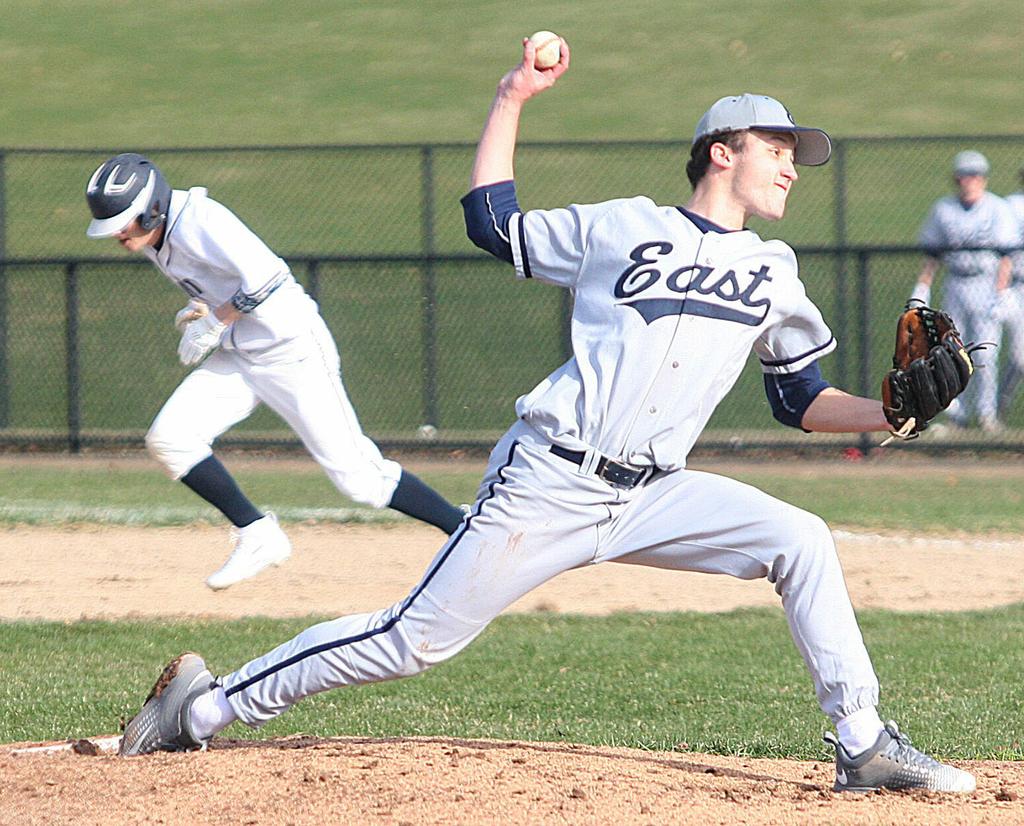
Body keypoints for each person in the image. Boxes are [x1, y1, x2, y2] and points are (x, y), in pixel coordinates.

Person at [116, 41, 976, 794]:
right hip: (551, 477)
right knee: (413, 641)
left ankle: (862, 745)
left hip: (654, 494)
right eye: (777, 148)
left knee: (802, 539)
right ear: (722, 152)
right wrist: (511, 98)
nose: (792, 165)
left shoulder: (773, 272)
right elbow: (495, 226)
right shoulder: (620, 227)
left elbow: (798, 398)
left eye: (797, 153)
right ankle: (205, 706)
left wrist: (891, 412)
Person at [85, 154, 465, 589]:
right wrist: (200, 310)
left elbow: (268, 279)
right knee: (170, 438)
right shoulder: (154, 237)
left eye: (123, 221)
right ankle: (258, 534)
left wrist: (216, 322)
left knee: (360, 480)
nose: (117, 232)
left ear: (152, 208)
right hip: (241, 355)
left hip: (293, 352)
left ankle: (462, 529)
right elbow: (220, 283)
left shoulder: (200, 219)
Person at [910, 150, 1018, 432]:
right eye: (964, 177)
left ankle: (986, 415)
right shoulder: (944, 209)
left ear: (983, 179)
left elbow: (1005, 255)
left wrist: (1002, 292)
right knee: (952, 354)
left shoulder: (997, 209)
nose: (969, 182)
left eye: (975, 176)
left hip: (986, 281)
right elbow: (932, 255)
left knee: (985, 354)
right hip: (956, 282)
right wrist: (922, 287)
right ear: (956, 180)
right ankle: (956, 414)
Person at [996, 167, 1024, 419]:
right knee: (1019, 357)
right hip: (1017, 286)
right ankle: (998, 407)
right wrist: (1001, 288)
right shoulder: (1012, 205)